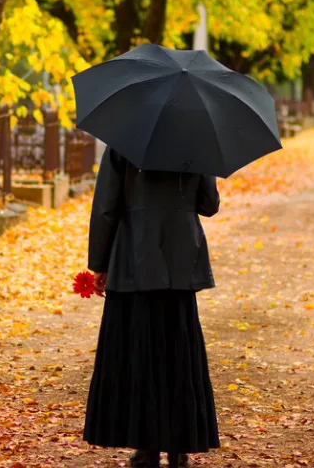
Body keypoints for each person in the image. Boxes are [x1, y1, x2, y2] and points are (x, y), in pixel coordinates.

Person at [83, 147, 221, 467]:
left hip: (135, 258)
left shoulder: (123, 142)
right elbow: (208, 205)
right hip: (180, 259)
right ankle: (179, 447)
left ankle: (146, 447)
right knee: (178, 353)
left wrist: (99, 264)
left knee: (139, 353)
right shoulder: (195, 141)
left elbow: (106, 207)